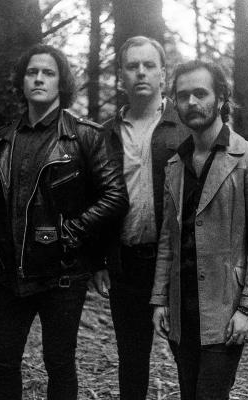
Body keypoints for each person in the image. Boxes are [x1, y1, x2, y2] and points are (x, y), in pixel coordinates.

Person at [0, 43, 128, 400]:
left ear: (61, 82)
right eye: (32, 72)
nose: (39, 79)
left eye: (48, 73)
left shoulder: (85, 135)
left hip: (63, 275)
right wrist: (0, 231)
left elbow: (115, 197)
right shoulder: (5, 137)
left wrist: (68, 233)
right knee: (2, 364)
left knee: (59, 364)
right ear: (22, 81)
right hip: (9, 273)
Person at [150, 60, 248, 400]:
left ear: (221, 98)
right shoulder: (175, 164)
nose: (191, 102)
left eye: (200, 93)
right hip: (181, 308)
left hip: (225, 307)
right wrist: (160, 299)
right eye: (182, 95)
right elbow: (168, 239)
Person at [96, 36, 190, 400]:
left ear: (163, 74)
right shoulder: (106, 134)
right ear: (121, 76)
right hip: (127, 263)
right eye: (132, 66)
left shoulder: (184, 126)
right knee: (132, 359)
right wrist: (100, 259)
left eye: (149, 65)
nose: (141, 72)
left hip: (177, 263)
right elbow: (96, 198)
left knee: (186, 354)